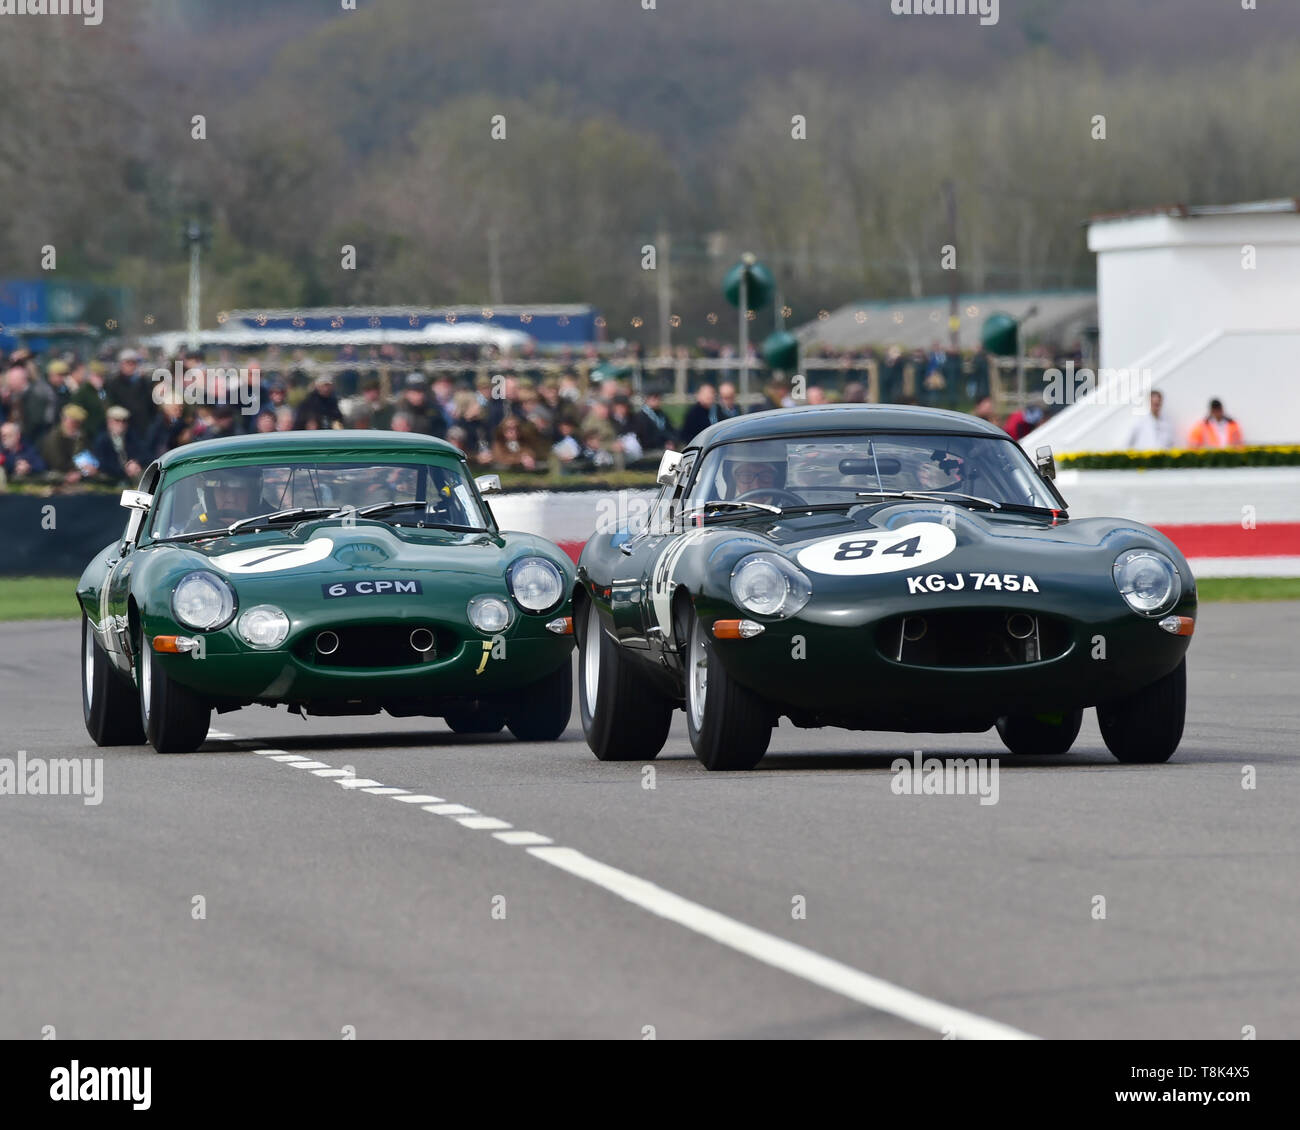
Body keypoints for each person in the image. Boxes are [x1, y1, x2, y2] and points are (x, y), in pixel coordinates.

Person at [91, 406, 147, 484]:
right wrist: (124, 470)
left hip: (131, 475)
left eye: (124, 421)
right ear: (109, 422)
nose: (121, 424)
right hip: (111, 478)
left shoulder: (131, 436)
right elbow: (102, 463)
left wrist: (136, 462)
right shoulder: (102, 440)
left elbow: (144, 453)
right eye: (117, 420)